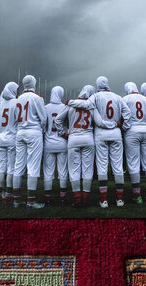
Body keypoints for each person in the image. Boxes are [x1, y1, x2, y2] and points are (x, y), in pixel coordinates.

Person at [67, 76, 131, 207]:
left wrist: (70, 102)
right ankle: (119, 199)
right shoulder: (118, 97)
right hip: (115, 133)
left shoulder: (95, 96)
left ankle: (104, 200)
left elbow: (85, 105)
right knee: (118, 167)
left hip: (100, 134)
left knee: (102, 167)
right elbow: (128, 113)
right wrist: (122, 126)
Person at [55, 85, 99, 207]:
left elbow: (58, 120)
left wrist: (63, 133)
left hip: (73, 138)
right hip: (88, 138)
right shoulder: (91, 105)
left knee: (74, 170)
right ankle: (85, 200)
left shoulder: (71, 104)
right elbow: (98, 122)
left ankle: (77, 199)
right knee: (87, 170)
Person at [14, 75, 47, 209]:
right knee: (33, 167)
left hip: (20, 132)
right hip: (34, 132)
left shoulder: (18, 99)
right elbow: (43, 119)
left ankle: (16, 201)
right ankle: (31, 201)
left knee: (18, 166)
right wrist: (42, 131)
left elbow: (16, 117)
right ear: (33, 83)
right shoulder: (37, 98)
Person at [44, 86, 69, 205]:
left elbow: (43, 126)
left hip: (48, 143)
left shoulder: (45, 108)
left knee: (48, 172)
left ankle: (48, 199)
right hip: (62, 142)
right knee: (63, 171)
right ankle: (63, 198)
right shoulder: (65, 107)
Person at [0, 82, 19, 203]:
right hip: (11, 137)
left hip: (1, 137)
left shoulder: (0, 105)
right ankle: (8, 194)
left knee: (0, 166)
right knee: (11, 168)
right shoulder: (16, 102)